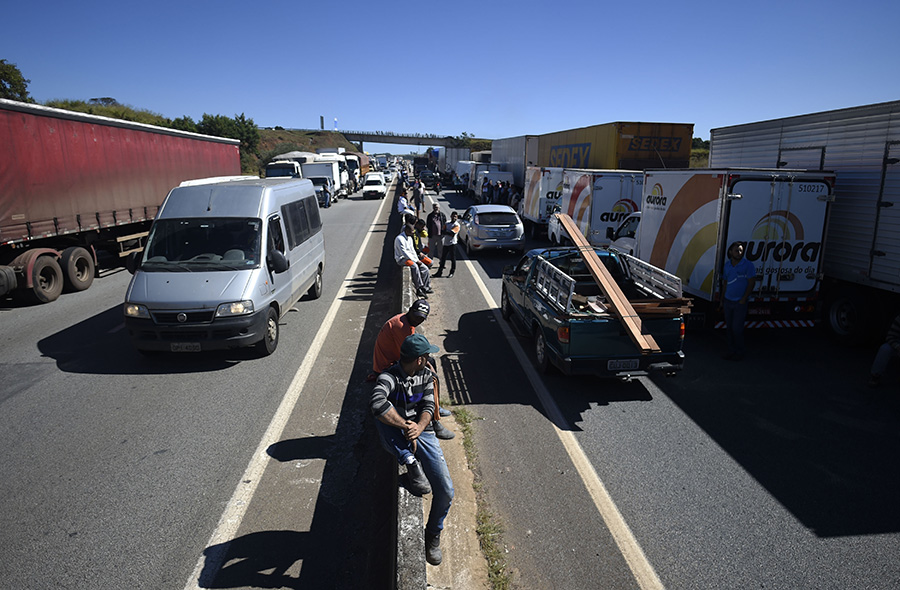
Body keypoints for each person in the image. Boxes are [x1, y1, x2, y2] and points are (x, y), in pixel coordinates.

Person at [370, 333, 454, 566]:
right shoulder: (389, 376)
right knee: (381, 418)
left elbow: (428, 405)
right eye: (426, 356)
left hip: (421, 431)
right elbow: (376, 402)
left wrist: (419, 426)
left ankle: (433, 534)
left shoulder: (427, 374)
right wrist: (403, 424)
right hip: (398, 430)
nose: (428, 360)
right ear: (418, 359)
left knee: (446, 490)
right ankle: (409, 461)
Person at [369, 299, 455, 438]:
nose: (418, 320)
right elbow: (409, 357)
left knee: (430, 364)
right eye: (417, 316)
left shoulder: (407, 321)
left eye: (422, 318)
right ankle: (434, 420)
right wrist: (427, 366)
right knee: (430, 376)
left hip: (394, 360)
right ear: (410, 311)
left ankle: (434, 405)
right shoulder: (401, 326)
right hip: (386, 367)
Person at [720, 241, 756, 360]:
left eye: (741, 250)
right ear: (730, 252)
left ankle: (740, 352)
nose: (739, 253)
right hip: (728, 301)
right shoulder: (727, 265)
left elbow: (751, 283)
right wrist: (722, 299)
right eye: (736, 250)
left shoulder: (748, 265)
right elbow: (725, 283)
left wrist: (744, 299)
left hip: (739, 302)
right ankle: (731, 351)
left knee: (737, 329)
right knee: (729, 328)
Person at [394, 223, 433, 298]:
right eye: (411, 231)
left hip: (412, 258)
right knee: (414, 266)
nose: (413, 233)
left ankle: (426, 287)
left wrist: (417, 260)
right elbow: (404, 253)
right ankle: (419, 287)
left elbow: (412, 251)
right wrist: (415, 261)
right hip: (401, 258)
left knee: (425, 268)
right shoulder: (399, 239)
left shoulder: (410, 238)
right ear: (406, 230)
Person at [868, 313, 900, 387]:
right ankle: (875, 375)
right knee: (885, 349)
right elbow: (890, 336)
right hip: (898, 344)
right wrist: (897, 347)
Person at [434, 211, 459, 278]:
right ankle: (439, 272)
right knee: (443, 258)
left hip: (452, 244)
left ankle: (452, 272)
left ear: (457, 218)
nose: (454, 218)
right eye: (453, 216)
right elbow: (442, 231)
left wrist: (446, 232)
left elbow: (452, 234)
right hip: (446, 243)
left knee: (452, 259)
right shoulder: (447, 223)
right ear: (450, 216)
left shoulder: (457, 225)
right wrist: (447, 232)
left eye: (455, 217)